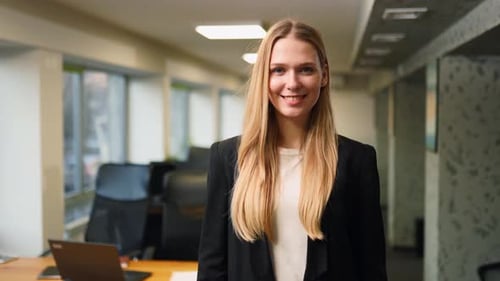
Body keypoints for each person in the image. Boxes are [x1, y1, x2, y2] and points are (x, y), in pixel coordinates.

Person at [197, 18, 387, 281]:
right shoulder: (227, 158)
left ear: (324, 75)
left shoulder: (356, 160)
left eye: (306, 69)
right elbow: (212, 264)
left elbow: (371, 266)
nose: (293, 82)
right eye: (279, 70)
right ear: (264, 77)